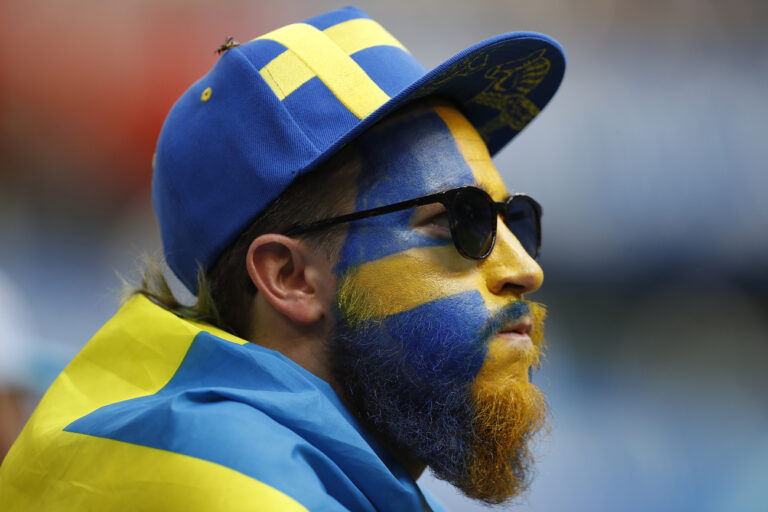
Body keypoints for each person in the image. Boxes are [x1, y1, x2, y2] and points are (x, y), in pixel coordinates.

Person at [0, 6, 565, 511]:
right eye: (461, 223)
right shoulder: (233, 491)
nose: (526, 269)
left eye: (515, 220)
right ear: (290, 277)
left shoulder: (320, 478)